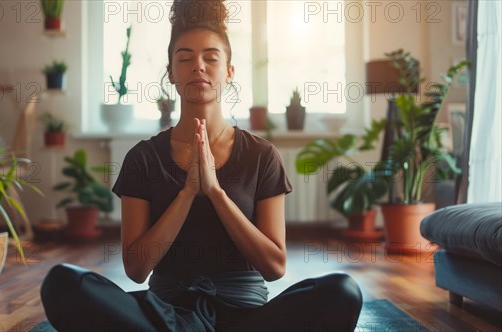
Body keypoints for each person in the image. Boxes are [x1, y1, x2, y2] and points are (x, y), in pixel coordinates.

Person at [40, 0, 363, 331]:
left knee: (342, 291)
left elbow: (274, 266)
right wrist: (188, 192)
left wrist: (215, 192)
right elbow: (137, 269)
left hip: (246, 316)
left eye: (211, 58)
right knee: (64, 283)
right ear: (171, 73)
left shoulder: (261, 155)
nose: (198, 66)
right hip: (167, 315)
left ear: (229, 71)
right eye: (184, 58)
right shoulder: (143, 158)